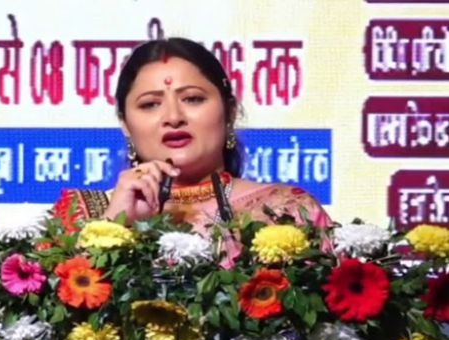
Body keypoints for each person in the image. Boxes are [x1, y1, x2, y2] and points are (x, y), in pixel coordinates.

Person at [54, 37, 331, 233]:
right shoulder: (80, 216)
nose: (173, 117)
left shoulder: (288, 212)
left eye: (193, 99)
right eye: (150, 104)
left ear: (230, 111)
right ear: (125, 123)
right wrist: (113, 224)